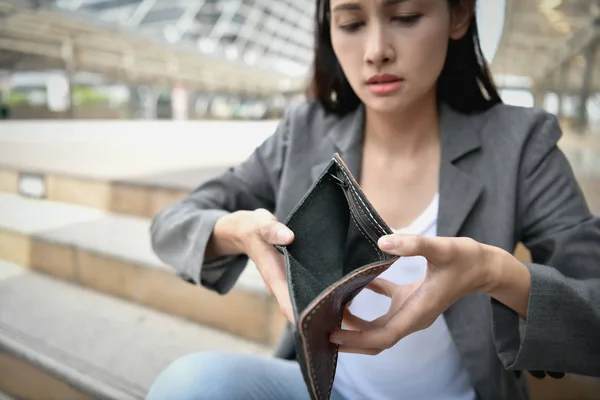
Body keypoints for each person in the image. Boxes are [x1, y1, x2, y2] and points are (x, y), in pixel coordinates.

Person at [146, 0, 600, 399]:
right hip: (326, 390)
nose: (376, 50)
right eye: (350, 23)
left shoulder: (521, 144)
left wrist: (493, 273)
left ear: (458, 14)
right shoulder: (301, 133)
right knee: (190, 384)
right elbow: (172, 224)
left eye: (405, 16)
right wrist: (238, 232)